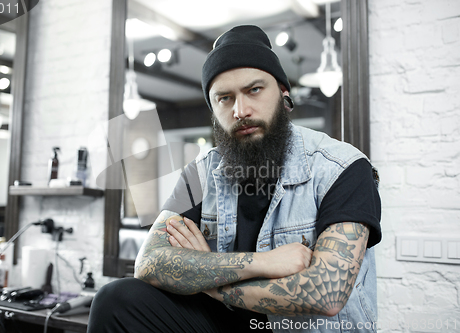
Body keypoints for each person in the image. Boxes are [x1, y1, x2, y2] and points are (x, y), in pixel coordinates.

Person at [87, 25, 381, 333]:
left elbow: (327, 294)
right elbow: (149, 263)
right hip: (227, 324)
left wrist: (208, 284)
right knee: (114, 299)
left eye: (254, 90)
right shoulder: (201, 172)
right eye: (224, 98)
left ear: (283, 94)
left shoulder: (341, 167)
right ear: (214, 111)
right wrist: (262, 262)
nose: (240, 110)